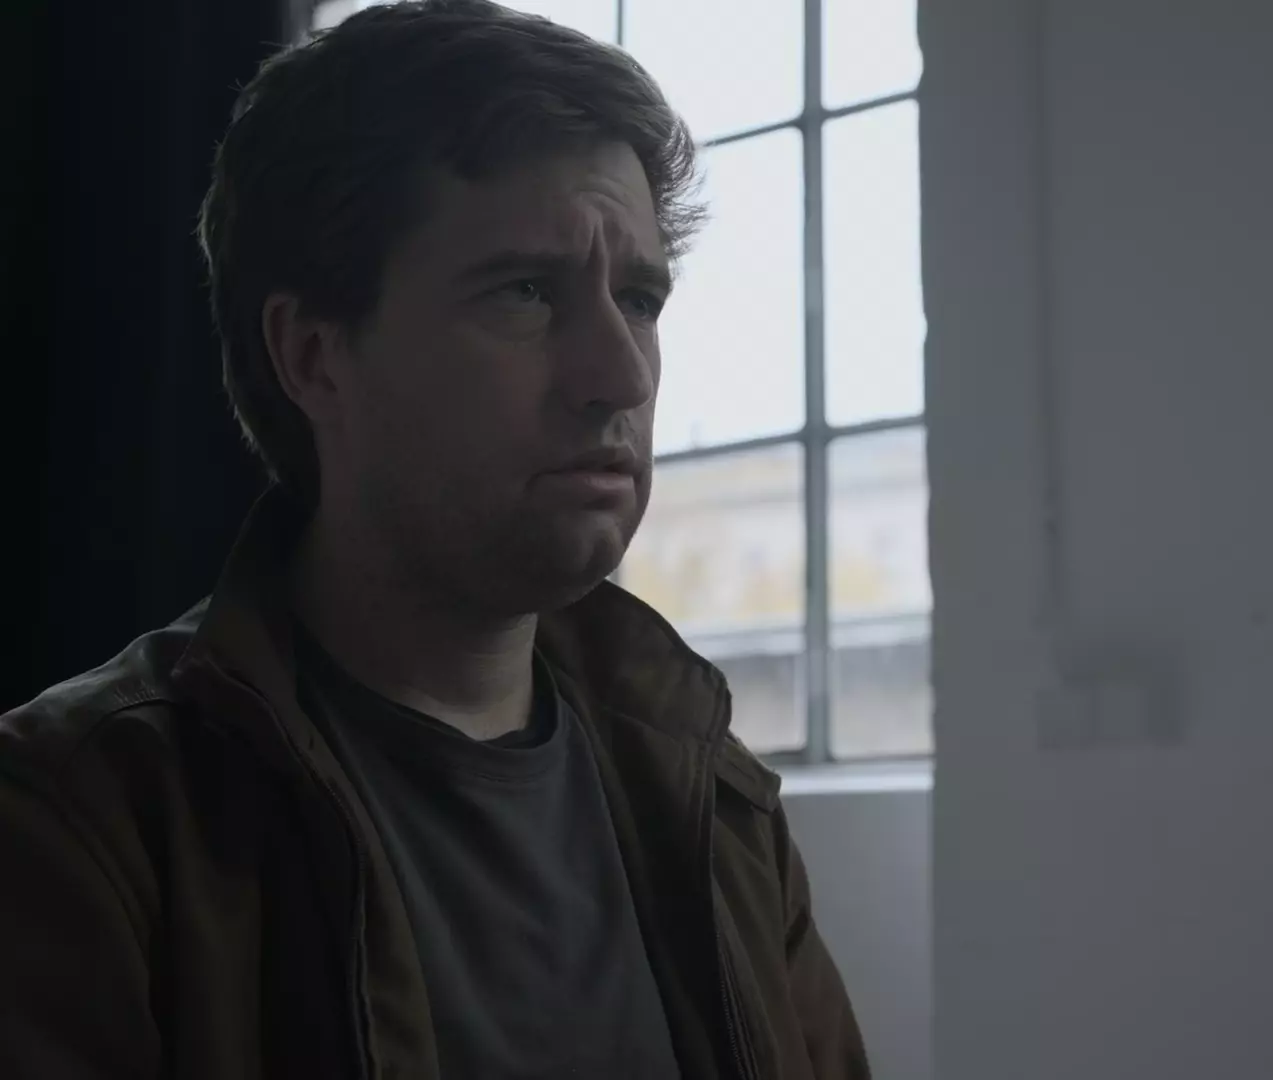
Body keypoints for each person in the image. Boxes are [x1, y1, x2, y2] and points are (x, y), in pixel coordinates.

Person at [0, 2, 868, 1077]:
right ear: (314, 356)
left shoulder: (709, 792)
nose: (622, 375)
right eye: (527, 292)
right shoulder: (82, 820)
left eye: (640, 298)